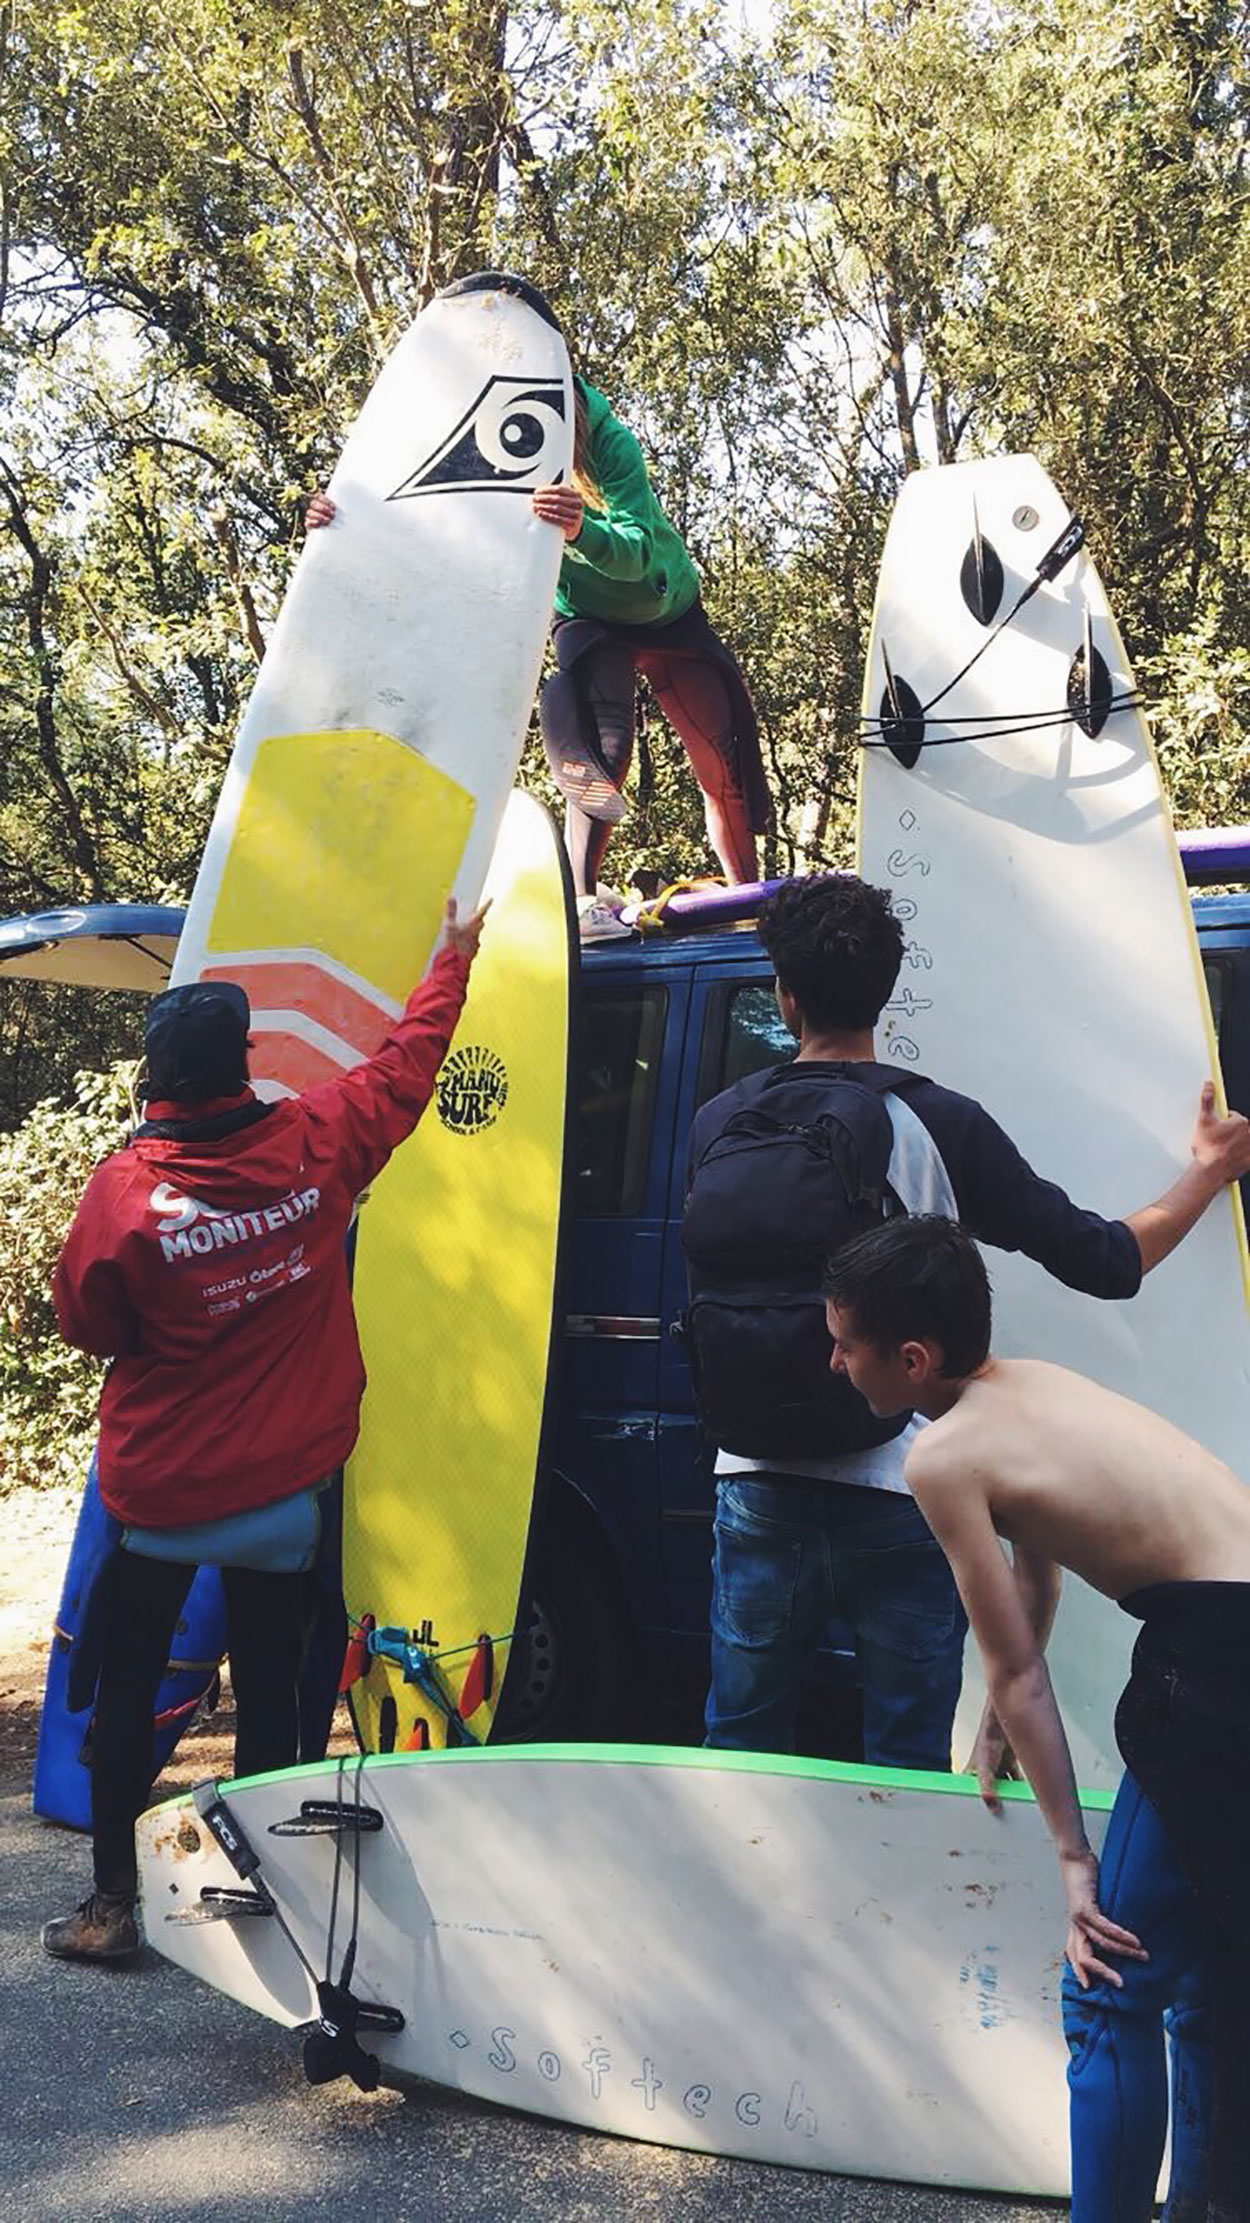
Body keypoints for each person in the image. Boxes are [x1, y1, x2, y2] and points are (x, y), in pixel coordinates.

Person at [688, 871, 1250, 1770]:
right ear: (885, 990)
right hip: (909, 1486)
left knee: (741, 1746)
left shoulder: (719, 1121)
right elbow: (1105, 1259)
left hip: (756, 1482)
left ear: (785, 995)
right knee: (906, 1755)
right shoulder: (939, 1121)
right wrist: (1208, 1171)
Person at [42, 895, 487, 1965]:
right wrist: (453, 956)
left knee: (129, 1687)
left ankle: (112, 1906)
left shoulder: (124, 1195)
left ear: (153, 1083)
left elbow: (86, 1323)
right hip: (284, 1496)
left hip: (161, 1498)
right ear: (244, 1063)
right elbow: (411, 1061)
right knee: (276, 1693)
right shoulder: (321, 1138)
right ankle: (272, 1896)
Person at [823, 1214, 1250, 2222]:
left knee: (1104, 1979)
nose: (831, 1360)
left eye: (842, 1342)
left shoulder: (941, 1457)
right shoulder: (1027, 1385)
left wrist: (1071, 1862)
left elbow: (1016, 1668)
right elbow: (1037, 1578)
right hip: (1227, 1629)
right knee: (1199, 1970)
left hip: (1215, 1653)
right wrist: (994, 1728)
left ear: (911, 1359)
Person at [306, 311, 770, 943]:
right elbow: (423, 519)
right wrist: (342, 521)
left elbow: (637, 550)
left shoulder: (608, 441)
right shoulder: (482, 441)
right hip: (583, 613)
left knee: (722, 760)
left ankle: (749, 904)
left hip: (662, 605)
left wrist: (583, 529)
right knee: (606, 746)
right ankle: (582, 899)